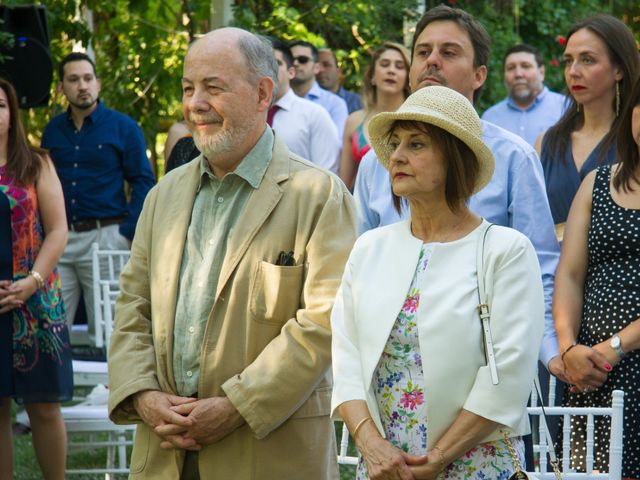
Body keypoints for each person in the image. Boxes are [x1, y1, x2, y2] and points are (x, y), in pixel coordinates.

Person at [107, 28, 357, 479]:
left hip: (267, 451)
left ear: (263, 92)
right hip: (166, 451)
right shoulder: (162, 197)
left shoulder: (318, 196)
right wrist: (144, 396)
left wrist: (238, 405)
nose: (195, 103)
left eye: (213, 87)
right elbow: (132, 308)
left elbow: (324, 323)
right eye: (188, 88)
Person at [332, 85, 544, 479]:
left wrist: (438, 459)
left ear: (455, 159)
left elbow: (509, 375)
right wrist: (372, 446)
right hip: (384, 468)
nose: (396, 156)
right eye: (394, 144)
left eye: (417, 144)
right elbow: (344, 358)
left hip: (473, 463)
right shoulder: (369, 249)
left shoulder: (505, 250)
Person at [353, 4, 562, 382]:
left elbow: (540, 268)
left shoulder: (513, 157)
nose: (432, 61)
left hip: (486, 366)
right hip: (390, 367)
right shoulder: (377, 164)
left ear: (479, 75)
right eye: (422, 52)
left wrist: (549, 356)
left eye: (448, 53)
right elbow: (355, 265)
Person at [553, 76, 640, 479]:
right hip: (592, 373)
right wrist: (570, 348)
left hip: (611, 359)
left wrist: (617, 347)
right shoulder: (598, 182)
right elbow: (569, 275)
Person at [41, 52, 156, 343]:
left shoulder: (124, 127)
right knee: (52, 329)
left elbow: (144, 181)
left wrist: (126, 234)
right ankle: (59, 390)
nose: (82, 86)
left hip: (106, 237)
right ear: (62, 87)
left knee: (111, 329)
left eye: (88, 78)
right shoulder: (53, 132)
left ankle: (112, 390)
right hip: (61, 240)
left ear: (99, 84)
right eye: (74, 79)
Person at [0, 78, 72, 480]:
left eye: (0, 105)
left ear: (13, 114)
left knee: (44, 407)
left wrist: (33, 279)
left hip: (37, 301)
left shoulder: (37, 163)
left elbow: (58, 230)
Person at [536, 15, 640, 232]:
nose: (573, 71)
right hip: (552, 264)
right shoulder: (546, 143)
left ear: (618, 69)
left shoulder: (634, 139)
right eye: (568, 61)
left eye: (587, 59)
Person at [339, 42, 410, 189]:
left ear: (408, 77)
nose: (391, 70)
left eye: (399, 66)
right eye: (384, 64)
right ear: (372, 75)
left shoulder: (416, 119)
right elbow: (343, 184)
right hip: (358, 207)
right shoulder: (354, 121)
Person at [270, 39, 341, 173]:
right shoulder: (247, 113)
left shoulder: (315, 114)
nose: (269, 68)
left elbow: (326, 175)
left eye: (276, 63)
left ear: (291, 72)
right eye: (264, 63)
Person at [481, 43, 567, 146]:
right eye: (511, 68)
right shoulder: (489, 118)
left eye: (526, 66)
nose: (518, 74)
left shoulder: (566, 108)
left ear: (542, 72)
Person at [290, 40, 349, 137]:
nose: (296, 63)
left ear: (317, 67)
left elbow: (336, 146)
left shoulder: (335, 104)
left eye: (303, 59)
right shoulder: (273, 100)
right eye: (291, 60)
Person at [317, 48, 362, 113]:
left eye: (326, 65)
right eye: (317, 66)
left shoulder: (357, 102)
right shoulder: (305, 101)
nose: (321, 70)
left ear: (338, 71)